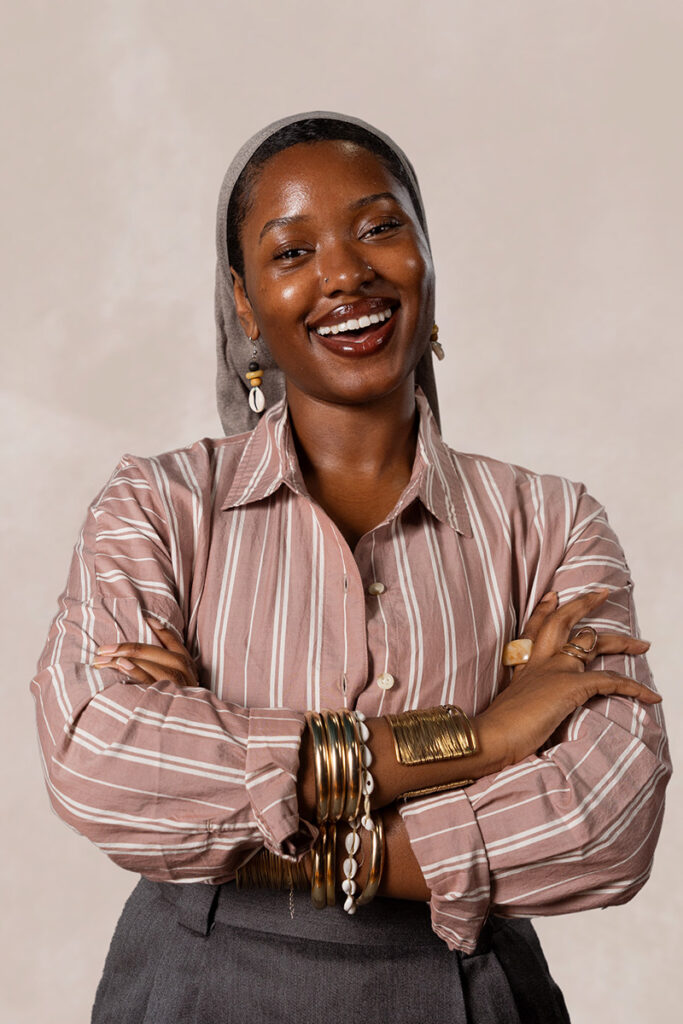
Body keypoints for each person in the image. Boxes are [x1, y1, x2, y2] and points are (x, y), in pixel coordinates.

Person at [31, 112, 670, 1024]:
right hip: (198, 988)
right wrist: (482, 742)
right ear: (245, 304)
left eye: (378, 228)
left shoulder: (552, 522)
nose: (345, 273)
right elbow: (103, 763)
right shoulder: (158, 506)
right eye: (292, 253)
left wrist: (247, 821)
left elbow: (607, 822)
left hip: (466, 990)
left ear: (427, 259)